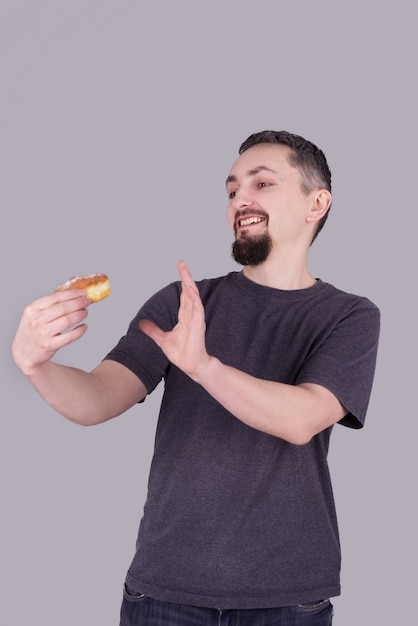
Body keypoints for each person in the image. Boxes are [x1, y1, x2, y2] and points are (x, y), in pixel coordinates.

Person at [12, 130, 380, 626]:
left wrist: (204, 366)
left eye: (262, 183)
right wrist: (36, 364)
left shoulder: (348, 316)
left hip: (287, 598)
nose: (240, 199)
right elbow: (98, 399)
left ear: (317, 203)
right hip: (163, 592)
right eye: (231, 191)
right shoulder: (181, 303)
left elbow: (303, 418)